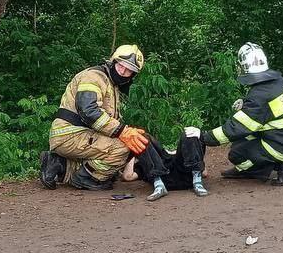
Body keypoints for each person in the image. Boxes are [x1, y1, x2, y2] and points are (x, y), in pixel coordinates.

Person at [40, 45, 152, 191]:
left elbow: (104, 119)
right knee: (124, 148)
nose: (123, 72)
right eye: (121, 66)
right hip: (71, 134)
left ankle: (59, 165)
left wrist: (125, 131)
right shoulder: (94, 77)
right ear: (113, 61)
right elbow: (88, 111)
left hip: (76, 134)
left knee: (112, 162)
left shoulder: (110, 84)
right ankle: (86, 178)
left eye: (129, 70)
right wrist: (122, 131)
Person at [198, 43, 283, 186]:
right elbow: (268, 108)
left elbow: (235, 128)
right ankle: (279, 164)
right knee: (242, 140)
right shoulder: (278, 82)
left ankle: (275, 167)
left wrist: (203, 137)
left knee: (236, 154)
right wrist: (246, 103)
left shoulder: (259, 95)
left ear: (242, 67)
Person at [121, 128, 209, 201]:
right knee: (140, 138)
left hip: (184, 174)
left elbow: (204, 173)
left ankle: (197, 181)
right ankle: (159, 185)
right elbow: (128, 176)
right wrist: (133, 150)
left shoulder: (184, 157)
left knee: (190, 132)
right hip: (163, 176)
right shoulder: (147, 162)